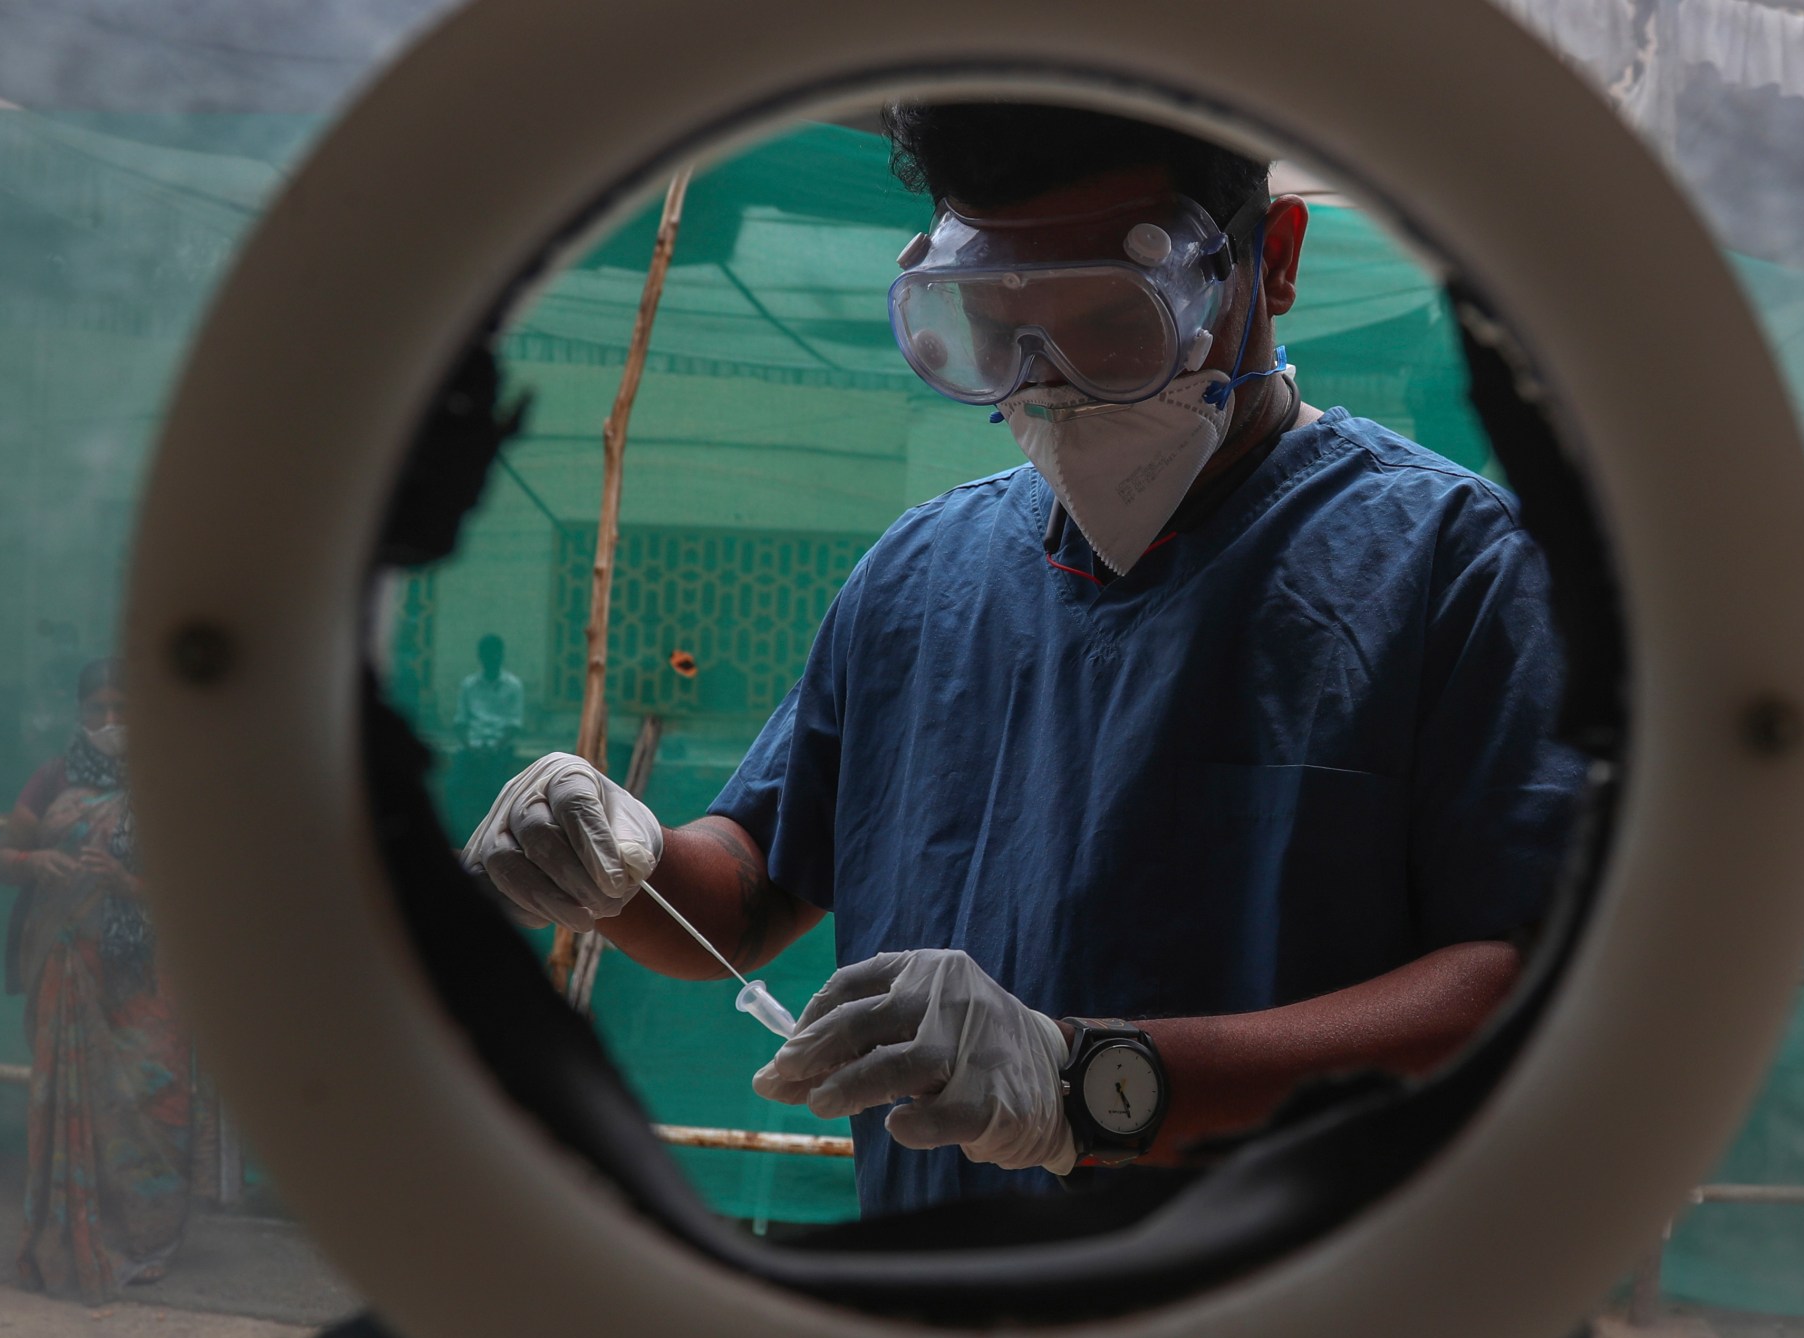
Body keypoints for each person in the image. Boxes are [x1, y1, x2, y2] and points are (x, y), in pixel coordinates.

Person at [468, 104, 1580, 1212]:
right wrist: (621, 862)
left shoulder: (1454, 572)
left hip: (1283, 1335)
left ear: (1271, 262)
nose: (1048, 381)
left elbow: (1528, 988)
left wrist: (1093, 1083)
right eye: (999, 323)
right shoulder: (918, 578)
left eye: (1112, 318)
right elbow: (748, 897)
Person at [0, 658, 192, 1300]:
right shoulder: (54, 778)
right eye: (96, 709)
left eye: (122, 709)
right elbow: (2, 860)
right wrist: (37, 859)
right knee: (75, 1099)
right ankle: (77, 1228)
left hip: (145, 976)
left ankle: (150, 1239)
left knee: (155, 1100)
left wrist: (124, 883)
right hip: (70, 964)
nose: (110, 722)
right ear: (79, 713)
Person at [448, 634, 528, 832]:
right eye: (487, 655)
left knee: (497, 789)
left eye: (495, 655)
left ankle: (495, 833)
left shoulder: (513, 686)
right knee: (454, 787)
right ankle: (459, 833)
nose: (491, 659)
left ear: (501, 656)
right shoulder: (469, 685)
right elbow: (460, 723)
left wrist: (493, 748)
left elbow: (513, 726)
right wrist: (471, 747)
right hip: (471, 747)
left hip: (499, 748)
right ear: (480, 657)